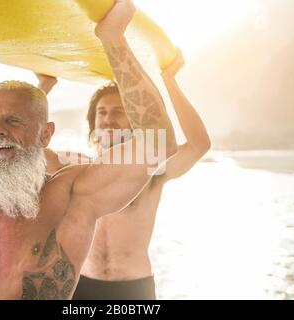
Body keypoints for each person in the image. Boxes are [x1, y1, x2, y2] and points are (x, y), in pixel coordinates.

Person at [0, 0, 177, 299]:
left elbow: (158, 144)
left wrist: (113, 40)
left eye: (13, 121)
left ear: (46, 135)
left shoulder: (71, 198)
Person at [37, 49, 210, 299]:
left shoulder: (152, 168)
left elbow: (199, 144)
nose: (108, 119)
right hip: (81, 285)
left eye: (119, 112)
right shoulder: (78, 168)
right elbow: (30, 149)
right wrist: (43, 88)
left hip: (134, 289)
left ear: (135, 123)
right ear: (93, 122)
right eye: (102, 112)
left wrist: (169, 80)